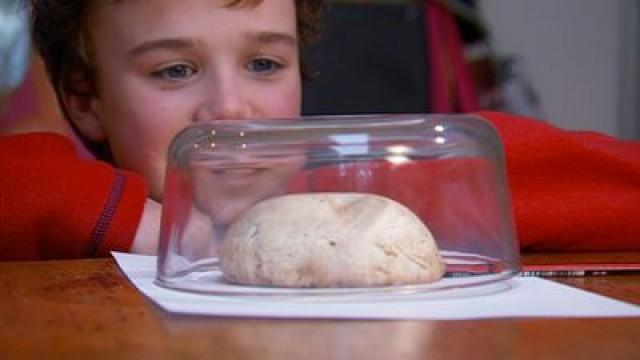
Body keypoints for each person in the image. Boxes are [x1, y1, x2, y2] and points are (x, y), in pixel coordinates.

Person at [0, 0, 638, 261]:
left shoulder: (353, 186)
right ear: (87, 97)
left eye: (263, 64)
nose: (230, 108)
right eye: (174, 69)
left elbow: (591, 180)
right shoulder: (81, 207)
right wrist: (162, 231)